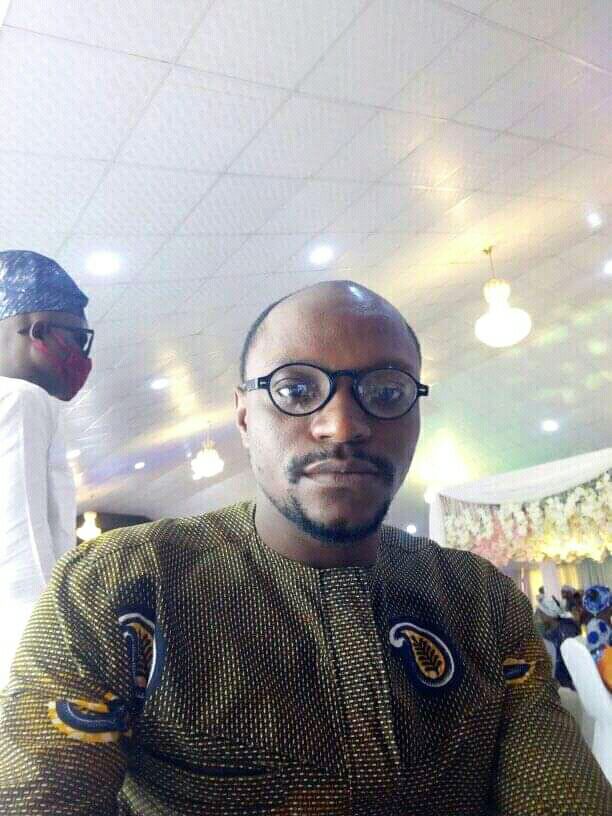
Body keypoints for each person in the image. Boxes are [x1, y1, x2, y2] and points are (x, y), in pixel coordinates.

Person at [0, 280, 609, 814]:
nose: (341, 425)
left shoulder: (483, 601)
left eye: (387, 391)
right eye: (294, 389)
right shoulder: (118, 588)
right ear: (244, 415)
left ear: (415, 413)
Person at [0, 250, 93, 686]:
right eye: (79, 339)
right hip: (23, 657)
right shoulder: (20, 399)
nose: (82, 356)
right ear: (38, 331)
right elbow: (22, 549)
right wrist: (57, 673)